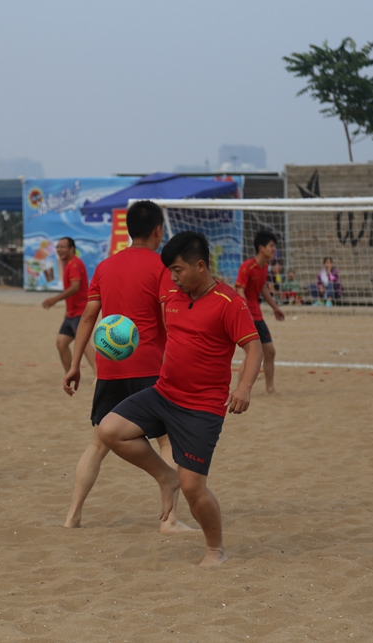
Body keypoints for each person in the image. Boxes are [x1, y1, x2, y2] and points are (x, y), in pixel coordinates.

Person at [97, 231, 263, 566]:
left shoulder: (229, 303)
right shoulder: (173, 296)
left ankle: (215, 550)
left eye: (177, 270)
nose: (173, 278)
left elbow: (254, 348)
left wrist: (244, 387)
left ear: (200, 266)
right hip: (164, 393)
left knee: (193, 488)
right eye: (170, 271)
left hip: (202, 408)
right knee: (109, 429)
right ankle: (165, 476)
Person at [62, 200, 192, 532]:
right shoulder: (161, 268)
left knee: (98, 443)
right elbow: (169, 319)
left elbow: (88, 318)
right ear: (158, 231)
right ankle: (170, 520)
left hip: (109, 367)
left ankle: (73, 516)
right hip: (149, 366)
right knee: (166, 441)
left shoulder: (105, 266)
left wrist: (75, 364)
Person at [235, 230, 285, 394]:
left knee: (270, 352)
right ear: (261, 248)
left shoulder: (264, 267)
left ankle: (270, 388)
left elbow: (262, 288)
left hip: (257, 316)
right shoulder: (247, 266)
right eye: (271, 246)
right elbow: (239, 289)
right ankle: (239, 390)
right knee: (253, 354)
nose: (274, 249)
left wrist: (275, 307)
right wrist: (245, 312)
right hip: (247, 316)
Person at [42, 237, 96, 374]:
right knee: (61, 343)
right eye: (58, 247)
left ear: (72, 249)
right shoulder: (68, 264)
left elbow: (75, 287)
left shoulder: (74, 264)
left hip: (81, 311)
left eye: (63, 247)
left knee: (83, 343)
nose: (59, 250)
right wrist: (67, 309)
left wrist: (55, 299)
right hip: (72, 312)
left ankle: (99, 374)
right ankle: (70, 375)